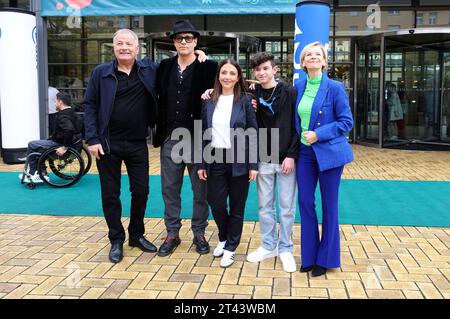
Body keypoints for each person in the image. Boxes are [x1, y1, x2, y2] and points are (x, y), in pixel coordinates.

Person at [84, 29, 160, 264]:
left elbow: (178, 66)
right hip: (107, 144)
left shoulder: (149, 69)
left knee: (141, 191)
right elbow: (90, 106)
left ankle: (136, 235)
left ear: (137, 48)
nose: (124, 47)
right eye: (120, 43)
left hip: (138, 143)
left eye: (129, 44)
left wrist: (198, 54)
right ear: (114, 47)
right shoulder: (101, 73)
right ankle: (116, 239)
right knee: (110, 194)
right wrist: (93, 139)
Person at [153, 20, 218, 257]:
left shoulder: (209, 67)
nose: (183, 42)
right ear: (173, 42)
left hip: (198, 138)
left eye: (188, 38)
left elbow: (228, 88)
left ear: (195, 42)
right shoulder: (164, 66)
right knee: (170, 188)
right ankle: (172, 233)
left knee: (201, 189)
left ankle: (199, 231)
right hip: (170, 137)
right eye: (179, 38)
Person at [295, 42, 354, 277]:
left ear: (324, 61)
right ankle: (309, 256)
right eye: (308, 54)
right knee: (306, 203)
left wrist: (319, 134)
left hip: (329, 154)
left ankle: (326, 258)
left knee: (330, 206)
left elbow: (346, 121)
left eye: (317, 54)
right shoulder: (297, 87)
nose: (312, 57)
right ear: (303, 61)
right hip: (304, 155)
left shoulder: (335, 87)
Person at [197, 59, 258, 268]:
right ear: (219, 76)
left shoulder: (246, 100)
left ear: (238, 76)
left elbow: (253, 134)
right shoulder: (208, 100)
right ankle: (223, 237)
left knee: (237, 206)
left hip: (240, 159)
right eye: (224, 72)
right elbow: (202, 133)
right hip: (214, 158)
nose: (228, 77)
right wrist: (201, 163)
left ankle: (231, 248)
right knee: (216, 202)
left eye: (232, 73)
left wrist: (253, 165)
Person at [245, 52, 299, 273]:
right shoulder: (252, 92)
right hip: (263, 158)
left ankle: (285, 248)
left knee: (286, 207)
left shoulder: (289, 92)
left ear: (275, 69)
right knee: (264, 206)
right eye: (257, 69)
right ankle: (269, 245)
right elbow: (224, 84)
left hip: (285, 156)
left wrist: (292, 155)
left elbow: (299, 125)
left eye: (265, 68)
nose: (261, 73)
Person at [19, 92, 82, 183]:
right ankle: (42, 171)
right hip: (73, 144)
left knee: (32, 144)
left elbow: (69, 130)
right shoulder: (73, 113)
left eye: (55, 101)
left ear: (60, 102)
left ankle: (35, 172)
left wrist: (65, 147)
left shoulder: (62, 115)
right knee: (40, 146)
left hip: (59, 144)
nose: (55, 103)